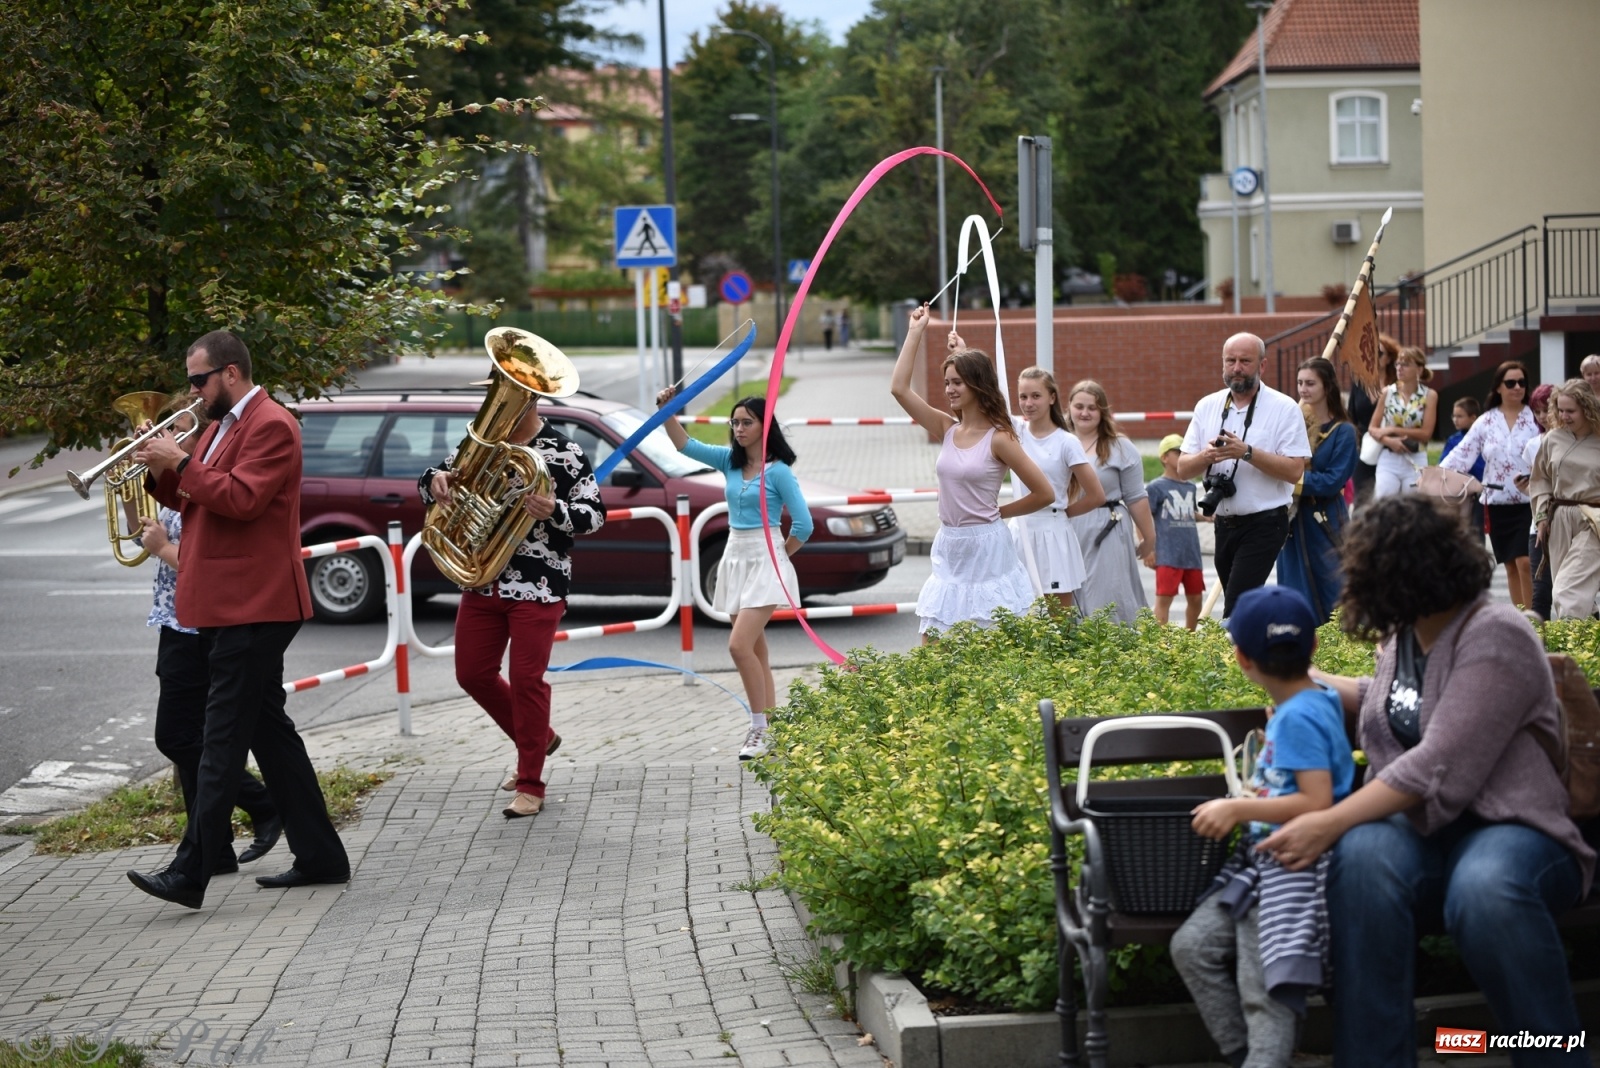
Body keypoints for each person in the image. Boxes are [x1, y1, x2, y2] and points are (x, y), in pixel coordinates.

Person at [1259, 494, 1594, 1068]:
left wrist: (1327, 821)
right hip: (1429, 832)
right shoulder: (1408, 633)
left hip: (1515, 826)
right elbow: (1396, 704)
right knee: (1362, 859)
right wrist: (1310, 682)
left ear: (1398, 576)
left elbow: (1438, 761)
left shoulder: (1496, 634)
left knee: (1484, 888)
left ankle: (1553, 1054)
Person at [126, 330, 349, 908]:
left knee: (221, 738)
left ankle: (192, 869)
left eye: (198, 380)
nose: (192, 392)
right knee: (267, 734)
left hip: (258, 601)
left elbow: (243, 499)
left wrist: (180, 457)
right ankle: (323, 857)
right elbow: (193, 498)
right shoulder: (221, 426)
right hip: (232, 602)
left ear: (230, 373)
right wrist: (155, 466)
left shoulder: (271, 424)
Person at [1172, 585, 1356, 1068]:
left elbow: (1315, 800)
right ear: (1313, 648)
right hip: (1262, 866)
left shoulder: (1300, 715)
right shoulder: (1313, 701)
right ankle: (1243, 1054)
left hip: (1288, 871)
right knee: (1192, 947)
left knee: (1263, 991)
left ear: (1240, 659)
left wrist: (1236, 810)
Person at [420, 390, 605, 817]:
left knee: (526, 680)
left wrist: (554, 510)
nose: (496, 406)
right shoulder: (482, 445)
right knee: (471, 674)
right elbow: (431, 477)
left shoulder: (565, 451)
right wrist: (434, 482)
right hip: (482, 579)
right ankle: (538, 740)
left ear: (532, 402)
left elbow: (594, 514)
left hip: (538, 585)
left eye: (510, 398)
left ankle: (530, 784)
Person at [126, 396, 282, 872]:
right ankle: (213, 850)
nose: (165, 439)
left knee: (179, 736)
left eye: (173, 432)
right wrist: (133, 494)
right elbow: (143, 532)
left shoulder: (205, 478)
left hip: (201, 622)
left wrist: (161, 548)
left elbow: (201, 562)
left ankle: (260, 803)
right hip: (174, 619)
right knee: (193, 737)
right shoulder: (181, 479)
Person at [656, 389, 811, 759]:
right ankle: (772, 727)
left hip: (766, 558)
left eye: (747, 422)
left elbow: (803, 526)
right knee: (756, 650)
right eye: (735, 422)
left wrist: (780, 559)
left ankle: (758, 728)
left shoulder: (780, 472)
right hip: (735, 555)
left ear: (764, 425)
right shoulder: (729, 461)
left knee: (738, 646)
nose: (739, 429)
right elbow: (685, 446)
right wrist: (667, 410)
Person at [890, 304, 1053, 639]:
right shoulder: (946, 427)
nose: (949, 389)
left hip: (987, 544)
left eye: (958, 383)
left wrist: (1000, 512)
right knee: (933, 640)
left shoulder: (1000, 438)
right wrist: (915, 332)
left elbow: (1045, 493)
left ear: (977, 386)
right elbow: (899, 389)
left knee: (988, 640)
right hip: (949, 543)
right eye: (947, 382)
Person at [1177, 333, 1312, 618]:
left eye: (1245, 361)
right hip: (1223, 523)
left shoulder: (1284, 407)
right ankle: (1263, 651)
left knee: (1236, 608)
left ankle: (1233, 659)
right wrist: (1207, 456)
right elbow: (1182, 468)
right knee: (1243, 605)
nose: (1237, 368)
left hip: (1265, 522)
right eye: (1231, 361)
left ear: (1262, 366)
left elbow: (1294, 470)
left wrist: (1247, 452)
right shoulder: (1207, 405)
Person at [1440, 360, 1540, 609]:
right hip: (1496, 504)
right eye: (1510, 383)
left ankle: (1536, 623)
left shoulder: (1536, 418)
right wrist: (1434, 475)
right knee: (1510, 565)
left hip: (1530, 502)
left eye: (1522, 383)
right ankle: (1521, 620)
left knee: (1525, 562)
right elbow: (1462, 455)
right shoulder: (1485, 421)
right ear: (1498, 387)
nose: (1517, 387)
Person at [1010, 367, 1104, 611]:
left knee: (1058, 621)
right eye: (1023, 396)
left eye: (1036, 396)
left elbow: (1096, 496)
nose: (1028, 403)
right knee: (1016, 613)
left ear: (1052, 397)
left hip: (1054, 534)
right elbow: (987, 397)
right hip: (1019, 531)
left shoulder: (1066, 441)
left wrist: (1062, 513)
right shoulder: (1014, 431)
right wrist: (962, 352)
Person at [1275, 358, 1357, 625]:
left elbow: (1333, 481)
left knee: (1332, 591)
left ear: (1327, 386)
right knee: (1293, 594)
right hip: (1290, 523)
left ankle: (1342, 657)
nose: (1303, 389)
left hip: (1325, 522)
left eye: (1310, 383)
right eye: (1300, 383)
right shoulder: (1291, 426)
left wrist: (1292, 478)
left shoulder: (1344, 432)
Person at [1068, 381, 1156, 623]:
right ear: (1069, 408)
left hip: (1107, 529)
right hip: (1068, 527)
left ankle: (1115, 652)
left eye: (1092, 408)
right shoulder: (1060, 441)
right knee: (1069, 596)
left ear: (1103, 412)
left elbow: (1136, 497)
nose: (1085, 413)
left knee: (1107, 594)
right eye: (1079, 406)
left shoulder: (1120, 446)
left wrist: (1148, 537)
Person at [1529, 379, 1600, 620]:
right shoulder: (1553, 438)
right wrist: (1541, 518)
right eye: (1560, 409)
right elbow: (1540, 480)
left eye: (1571, 411)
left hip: (1594, 520)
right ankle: (1587, 646)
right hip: (1559, 519)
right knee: (1571, 595)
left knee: (1568, 591)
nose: (1564, 416)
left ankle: (1574, 649)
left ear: (1587, 408)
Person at [1146, 435, 1205, 629]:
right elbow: (1144, 518)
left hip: (1191, 553)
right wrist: (1148, 549)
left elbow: (1188, 511)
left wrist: (1206, 518)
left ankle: (1189, 639)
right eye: (1178, 452)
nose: (1182, 455)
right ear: (1164, 457)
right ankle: (1159, 642)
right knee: (1164, 599)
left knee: (1196, 598)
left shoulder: (1189, 486)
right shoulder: (1156, 487)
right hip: (1168, 554)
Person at [1367, 345, 1437, 498]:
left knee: (1413, 507)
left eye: (1405, 364)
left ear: (1419, 369)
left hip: (1415, 457)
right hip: (1389, 457)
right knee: (1383, 502)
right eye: (1398, 363)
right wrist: (1389, 441)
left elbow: (1426, 434)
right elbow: (1373, 428)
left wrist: (1393, 430)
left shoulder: (1429, 395)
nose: (1399, 368)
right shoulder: (1388, 392)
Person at [1345, 333, 1398, 506]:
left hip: (1392, 448)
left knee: (1389, 501)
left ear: (1389, 358)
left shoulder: (1398, 385)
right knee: (1362, 499)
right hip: (1365, 450)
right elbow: (1351, 416)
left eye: (1379, 353)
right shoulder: (1360, 383)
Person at [1521, 383, 1556, 620]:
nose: (1542, 416)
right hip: (1539, 525)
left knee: (1573, 594)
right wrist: (1526, 488)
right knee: (1540, 594)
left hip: (1570, 521)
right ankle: (1538, 652)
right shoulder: (1533, 444)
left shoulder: (1580, 441)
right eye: (1537, 411)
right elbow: (1537, 489)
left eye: (1546, 410)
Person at [1441, 396, 1486, 538]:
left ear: (1473, 417)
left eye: (1460, 416)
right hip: (1459, 491)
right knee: (1458, 525)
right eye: (1454, 416)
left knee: (1477, 526)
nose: (1455, 419)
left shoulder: (1484, 437)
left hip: (1480, 489)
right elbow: (1444, 463)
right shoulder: (1453, 439)